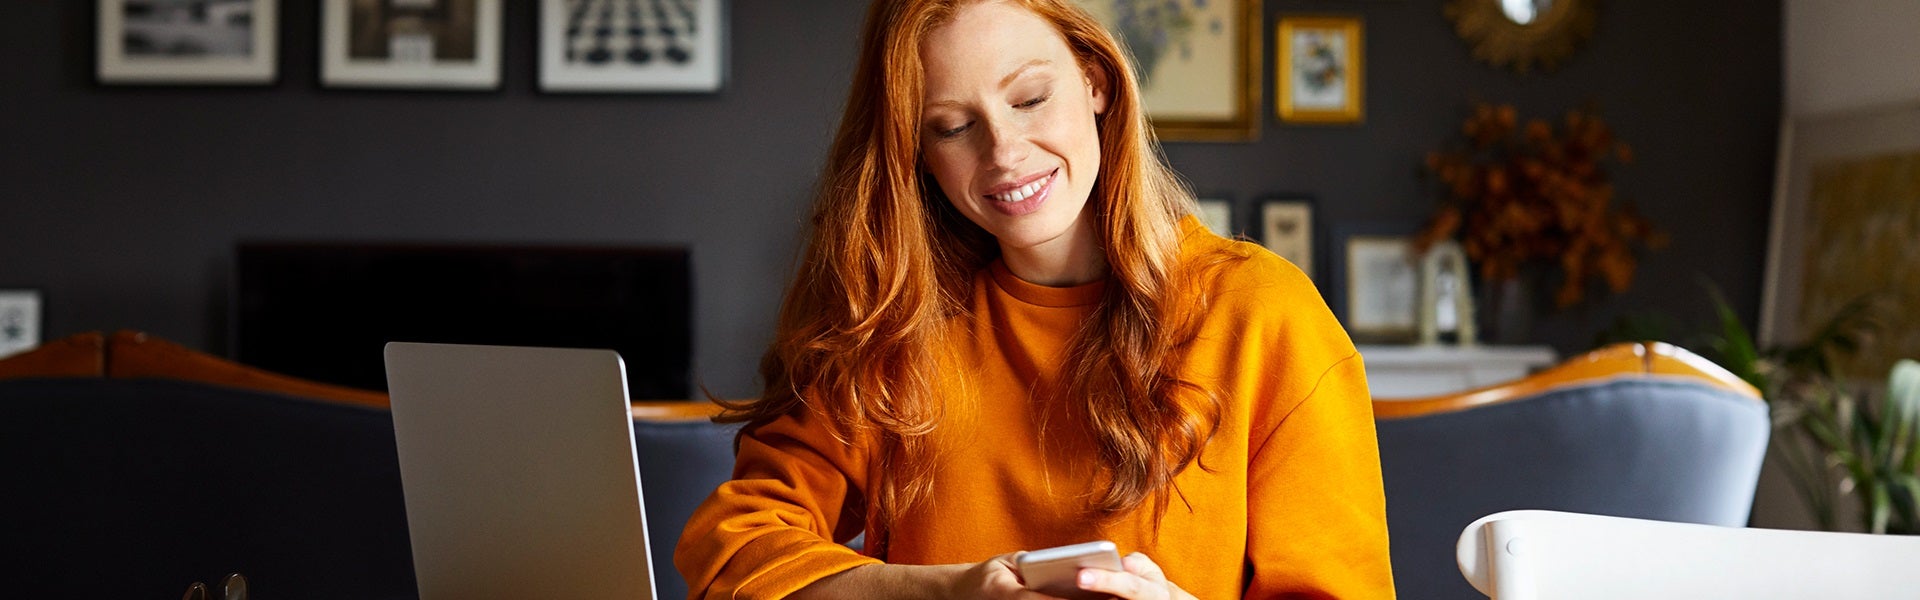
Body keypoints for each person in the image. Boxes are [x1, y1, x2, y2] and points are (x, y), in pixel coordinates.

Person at [674, 0, 1395, 597]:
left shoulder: (1264, 316)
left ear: (1095, 81)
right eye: (953, 127)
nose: (1004, 152)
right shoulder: (899, 324)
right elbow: (733, 551)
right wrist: (955, 591)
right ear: (916, 152)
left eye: (1029, 99)